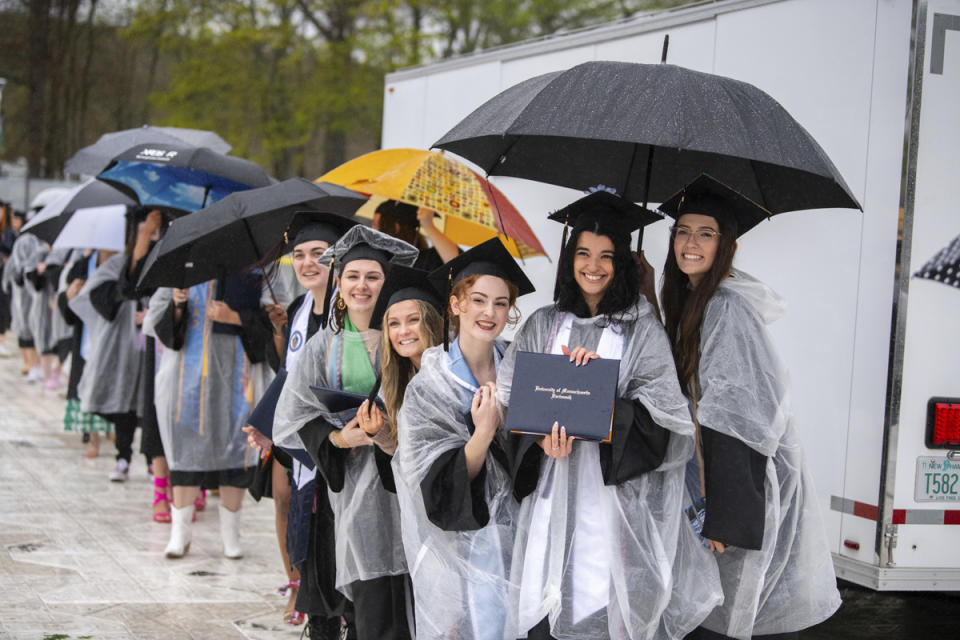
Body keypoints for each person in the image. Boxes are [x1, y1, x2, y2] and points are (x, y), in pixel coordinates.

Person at [497, 192, 721, 640]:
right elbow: (510, 401)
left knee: (601, 615)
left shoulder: (641, 330)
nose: (592, 266)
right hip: (549, 490)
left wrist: (598, 395)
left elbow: (669, 423)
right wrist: (539, 439)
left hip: (614, 508)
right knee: (544, 606)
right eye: (582, 253)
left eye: (606, 255)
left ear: (621, 263)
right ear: (569, 259)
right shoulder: (544, 323)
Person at [658, 175, 840, 640]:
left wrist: (726, 516)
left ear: (728, 247)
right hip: (715, 484)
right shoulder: (693, 302)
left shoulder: (726, 310)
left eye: (706, 233)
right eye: (682, 230)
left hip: (737, 489)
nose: (691, 242)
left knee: (736, 614)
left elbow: (742, 419)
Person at [274, 225, 417, 640]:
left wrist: (391, 430)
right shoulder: (323, 346)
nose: (362, 285)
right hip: (351, 491)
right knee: (366, 600)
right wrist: (338, 439)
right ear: (339, 282)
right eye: (353, 276)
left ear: (387, 282)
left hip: (407, 485)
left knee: (410, 593)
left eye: (373, 276)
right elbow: (290, 418)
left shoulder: (408, 337)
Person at [394, 239, 534, 640]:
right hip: (465, 544)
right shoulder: (430, 385)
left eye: (501, 303)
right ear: (455, 304)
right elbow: (435, 482)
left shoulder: (521, 369)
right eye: (478, 299)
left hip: (525, 532)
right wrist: (485, 431)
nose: (489, 313)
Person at [243, 210, 358, 628]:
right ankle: (301, 586)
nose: (308, 262)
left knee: (332, 518)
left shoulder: (351, 308)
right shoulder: (298, 306)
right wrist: (267, 422)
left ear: (337, 258)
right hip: (298, 430)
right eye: (300, 254)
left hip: (338, 435)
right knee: (292, 504)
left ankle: (338, 600)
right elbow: (288, 372)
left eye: (319, 253)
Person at [144, 249, 289, 559]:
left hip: (238, 379)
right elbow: (158, 325)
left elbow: (276, 321)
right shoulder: (182, 267)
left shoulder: (256, 269)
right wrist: (178, 305)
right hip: (187, 379)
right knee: (185, 449)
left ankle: (230, 534)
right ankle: (179, 533)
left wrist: (234, 317)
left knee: (235, 449)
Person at [58, 248, 114, 455]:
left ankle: (114, 433)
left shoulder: (122, 265)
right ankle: (93, 438)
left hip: (111, 336)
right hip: (85, 335)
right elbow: (67, 304)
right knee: (87, 385)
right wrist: (70, 295)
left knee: (110, 385)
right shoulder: (83, 264)